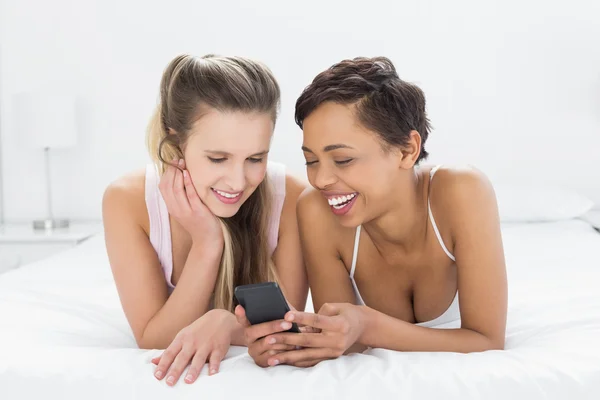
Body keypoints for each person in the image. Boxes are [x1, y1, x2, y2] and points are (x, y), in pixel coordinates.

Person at [237, 56, 507, 368]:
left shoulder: (462, 191)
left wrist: (367, 325)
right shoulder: (316, 211)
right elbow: (347, 347)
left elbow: (487, 340)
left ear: (407, 150)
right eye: (311, 161)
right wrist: (287, 346)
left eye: (342, 160)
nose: (320, 180)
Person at [102, 54, 308, 384]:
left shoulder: (293, 198)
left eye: (255, 158)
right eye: (217, 158)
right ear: (176, 142)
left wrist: (227, 323)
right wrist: (207, 242)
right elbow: (153, 340)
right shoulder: (126, 201)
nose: (238, 182)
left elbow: (284, 330)